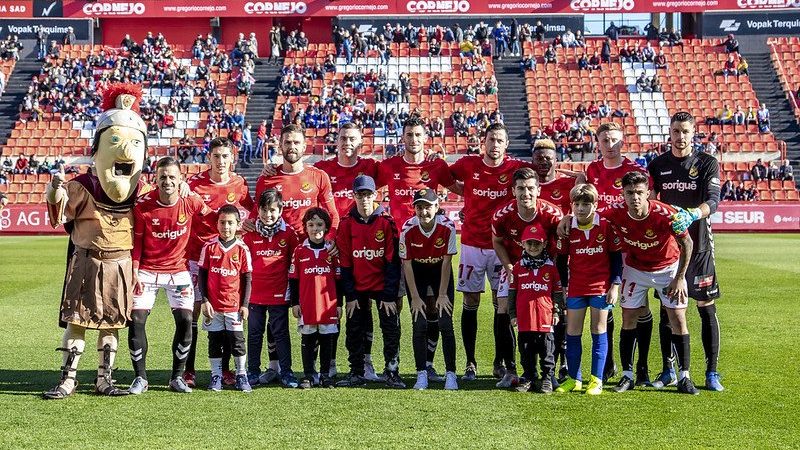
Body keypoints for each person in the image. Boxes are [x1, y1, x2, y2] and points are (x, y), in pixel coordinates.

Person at [43, 84, 151, 399]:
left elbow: (166, 207)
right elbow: (59, 210)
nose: (125, 150)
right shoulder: (83, 185)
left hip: (121, 264)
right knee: (76, 322)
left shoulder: (142, 189)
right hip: (86, 261)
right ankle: (68, 379)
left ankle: (104, 379)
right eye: (114, 141)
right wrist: (55, 191)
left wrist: (182, 189)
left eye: (133, 143)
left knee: (111, 325)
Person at [600, 171, 698, 395]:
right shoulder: (615, 213)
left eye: (639, 193)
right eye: (630, 193)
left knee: (678, 319)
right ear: (623, 194)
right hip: (635, 269)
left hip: (668, 269)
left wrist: (680, 277)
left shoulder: (665, 213)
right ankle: (627, 375)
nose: (635, 198)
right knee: (628, 318)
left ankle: (684, 377)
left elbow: (687, 243)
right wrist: (567, 218)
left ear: (648, 194)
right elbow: (588, 216)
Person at [648, 112, 724, 391]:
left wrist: (693, 214)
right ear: (670, 133)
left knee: (705, 306)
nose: (680, 137)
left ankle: (711, 371)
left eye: (685, 131)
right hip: (668, 249)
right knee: (669, 309)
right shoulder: (657, 165)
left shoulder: (706, 163)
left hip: (700, 246)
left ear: (694, 134)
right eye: (676, 131)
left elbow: (713, 201)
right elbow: (651, 200)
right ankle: (668, 369)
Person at [448, 123, 527, 383]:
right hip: (471, 244)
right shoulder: (468, 164)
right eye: (491, 139)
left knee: (500, 304)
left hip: (501, 247)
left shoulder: (514, 169)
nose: (495, 144)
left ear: (507, 145)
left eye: (500, 140)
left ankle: (500, 361)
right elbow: (445, 177)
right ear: (484, 142)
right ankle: (470, 361)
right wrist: (466, 193)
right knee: (470, 302)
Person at [127, 157, 212, 395]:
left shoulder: (190, 201)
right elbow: (138, 243)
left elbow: (214, 222)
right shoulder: (143, 206)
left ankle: (177, 377)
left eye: (172, 177)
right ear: (155, 179)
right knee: (137, 321)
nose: (167, 181)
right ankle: (141, 378)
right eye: (162, 177)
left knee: (186, 321)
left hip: (178, 271)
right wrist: (134, 271)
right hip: (147, 271)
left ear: (180, 179)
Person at [577, 122, 650, 383]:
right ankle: (607, 365)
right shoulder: (593, 170)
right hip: (602, 249)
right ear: (597, 142)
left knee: (637, 309)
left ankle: (641, 367)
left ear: (623, 141)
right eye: (605, 140)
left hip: (632, 249)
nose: (610, 145)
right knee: (604, 307)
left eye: (614, 140)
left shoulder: (635, 170)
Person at [184, 137, 254, 389]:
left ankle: (224, 371)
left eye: (225, 156)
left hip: (226, 261)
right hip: (196, 258)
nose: (221, 161)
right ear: (209, 158)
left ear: (232, 158)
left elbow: (250, 214)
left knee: (224, 313)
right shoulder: (194, 184)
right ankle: (188, 369)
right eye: (216, 156)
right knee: (192, 312)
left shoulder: (240, 185)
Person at [491, 168, 563, 388]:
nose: (526, 193)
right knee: (502, 307)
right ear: (513, 190)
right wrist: (510, 267)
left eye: (531, 188)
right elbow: (497, 242)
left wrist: (552, 270)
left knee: (555, 312)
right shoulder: (501, 214)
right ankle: (511, 368)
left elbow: (561, 244)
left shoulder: (553, 214)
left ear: (538, 190)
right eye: (521, 188)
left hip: (547, 268)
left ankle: (553, 370)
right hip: (516, 267)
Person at [336, 175, 404, 388]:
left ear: (375, 195)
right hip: (357, 284)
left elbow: (393, 261)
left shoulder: (387, 222)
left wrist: (389, 294)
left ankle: (392, 371)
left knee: (390, 327)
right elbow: (345, 262)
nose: (364, 199)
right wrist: (351, 295)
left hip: (383, 284)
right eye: (360, 194)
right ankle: (357, 371)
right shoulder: (346, 224)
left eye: (368, 194)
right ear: (353, 195)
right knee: (355, 327)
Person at [553, 184, 622, 396]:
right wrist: (563, 287)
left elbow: (616, 258)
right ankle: (575, 379)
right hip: (576, 287)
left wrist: (615, 285)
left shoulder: (606, 226)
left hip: (600, 287)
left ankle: (597, 380)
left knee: (598, 330)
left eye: (586, 204)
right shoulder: (567, 228)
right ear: (572, 205)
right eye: (577, 204)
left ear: (595, 205)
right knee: (572, 332)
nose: (581, 209)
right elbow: (562, 260)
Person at [401, 188, 459, 390]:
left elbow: (446, 263)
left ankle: (451, 374)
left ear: (437, 207)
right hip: (417, 274)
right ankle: (421, 374)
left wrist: (442, 294)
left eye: (427, 207)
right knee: (419, 324)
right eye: (419, 207)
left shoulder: (447, 227)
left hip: (439, 274)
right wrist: (415, 297)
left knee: (445, 322)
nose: (423, 212)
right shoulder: (407, 228)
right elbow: (407, 265)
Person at [242, 189, 300, 387]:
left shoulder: (289, 233)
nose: (268, 215)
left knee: (280, 333)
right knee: (255, 333)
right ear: (258, 210)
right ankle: (252, 371)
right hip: (255, 292)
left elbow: (295, 263)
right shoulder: (249, 234)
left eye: (273, 210)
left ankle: (287, 372)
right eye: (264, 210)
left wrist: (294, 295)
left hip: (279, 292)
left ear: (281, 210)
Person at [198, 205, 253, 392]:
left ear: (238, 224)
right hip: (213, 307)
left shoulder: (243, 249)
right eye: (222, 222)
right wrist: (205, 300)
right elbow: (202, 276)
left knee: (237, 342)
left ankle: (241, 374)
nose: (226, 227)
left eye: (230, 223)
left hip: (234, 307)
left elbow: (247, 279)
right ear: (217, 224)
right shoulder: (209, 247)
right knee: (215, 342)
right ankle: (216, 376)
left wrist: (245, 305)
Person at [501, 224, 561, 393]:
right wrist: (512, 314)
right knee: (526, 350)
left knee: (547, 351)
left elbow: (556, 292)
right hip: (524, 318)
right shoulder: (518, 267)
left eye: (537, 244)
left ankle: (547, 378)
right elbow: (512, 293)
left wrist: (556, 311)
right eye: (529, 243)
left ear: (544, 245)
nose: (533, 247)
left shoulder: (550, 267)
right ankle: (529, 377)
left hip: (545, 317)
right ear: (522, 244)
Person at [250, 124, 339, 238]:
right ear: (280, 146)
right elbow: (256, 213)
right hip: (278, 250)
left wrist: (330, 238)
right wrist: (250, 222)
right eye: (287, 142)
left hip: (309, 247)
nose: (292, 146)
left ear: (304, 146)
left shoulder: (319, 176)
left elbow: (332, 214)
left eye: (296, 143)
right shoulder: (266, 179)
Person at [289, 207, 342, 389]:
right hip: (307, 303)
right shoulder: (299, 251)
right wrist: (295, 302)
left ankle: (326, 374)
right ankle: (309, 375)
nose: (315, 228)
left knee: (327, 339)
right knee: (308, 339)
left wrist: (339, 303)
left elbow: (339, 279)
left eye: (319, 224)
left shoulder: (332, 251)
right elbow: (294, 279)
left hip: (328, 304)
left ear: (327, 227)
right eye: (311, 225)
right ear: (305, 227)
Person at [532, 139, 577, 215]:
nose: (544, 162)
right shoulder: (527, 186)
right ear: (532, 162)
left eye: (548, 158)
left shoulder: (570, 183)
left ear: (556, 162)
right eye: (539, 159)